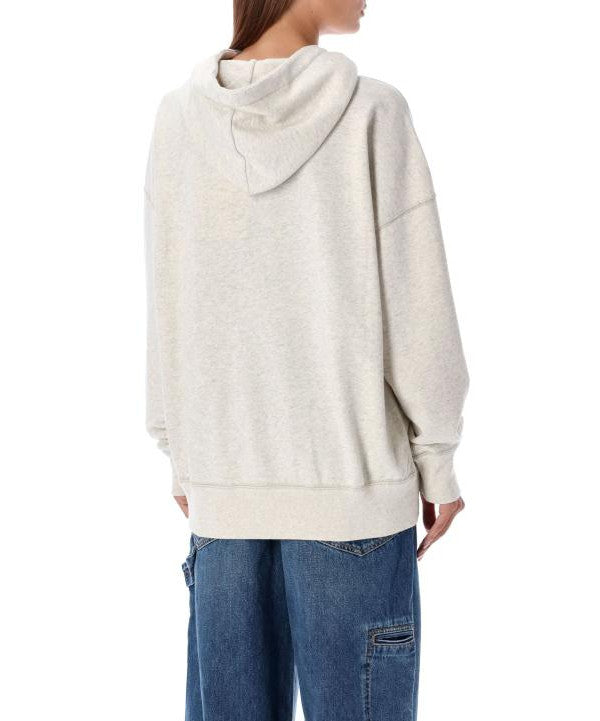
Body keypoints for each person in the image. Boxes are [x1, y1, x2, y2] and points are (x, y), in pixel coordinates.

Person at [144, 1, 469, 718]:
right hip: (350, 494)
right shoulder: (372, 113)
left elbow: (167, 298)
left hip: (223, 501)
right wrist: (438, 459)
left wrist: (181, 452)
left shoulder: (178, 121)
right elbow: (417, 310)